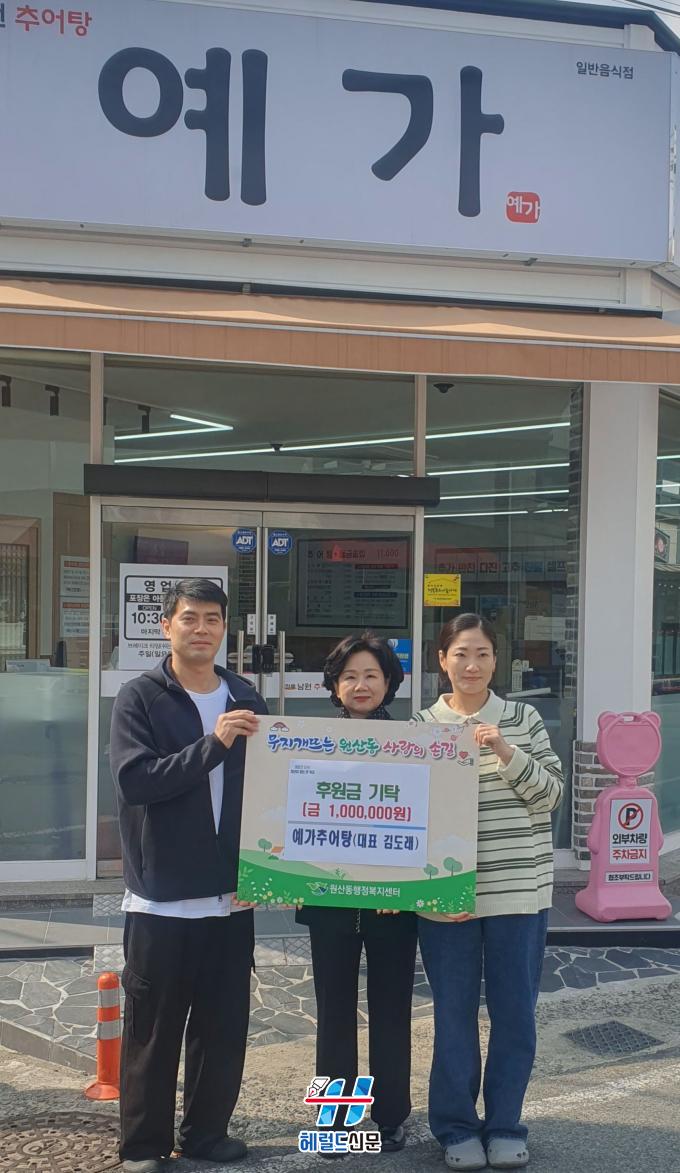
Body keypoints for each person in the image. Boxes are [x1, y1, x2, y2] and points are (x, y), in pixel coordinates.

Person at [109, 578, 268, 1173]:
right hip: (163, 900)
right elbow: (136, 781)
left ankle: (205, 1133)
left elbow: (270, 789)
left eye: (212, 619)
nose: (201, 629)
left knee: (221, 1029)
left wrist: (266, 869)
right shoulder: (140, 697)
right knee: (153, 1031)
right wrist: (213, 744)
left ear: (225, 628)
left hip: (231, 896)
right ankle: (143, 1146)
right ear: (166, 626)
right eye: (189, 618)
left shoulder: (245, 695)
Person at [413, 614, 563, 1172]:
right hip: (446, 897)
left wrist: (505, 750)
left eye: (481, 654)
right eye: (460, 653)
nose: (471, 665)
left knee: (514, 1014)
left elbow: (550, 795)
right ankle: (455, 1128)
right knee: (452, 1015)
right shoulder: (422, 726)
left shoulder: (523, 719)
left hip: (518, 892)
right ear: (442, 660)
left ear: (496, 661)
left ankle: (505, 1126)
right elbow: (409, 811)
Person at [296, 632, 417, 1156]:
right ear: (334, 685)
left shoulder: (415, 744)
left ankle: (389, 1117)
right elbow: (294, 817)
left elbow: (425, 822)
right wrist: (290, 878)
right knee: (334, 1015)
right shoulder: (308, 742)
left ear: (389, 682)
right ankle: (334, 1121)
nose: (360, 685)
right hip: (329, 903)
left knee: (392, 1012)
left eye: (371, 675)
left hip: (394, 905)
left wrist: (408, 886)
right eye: (349, 676)